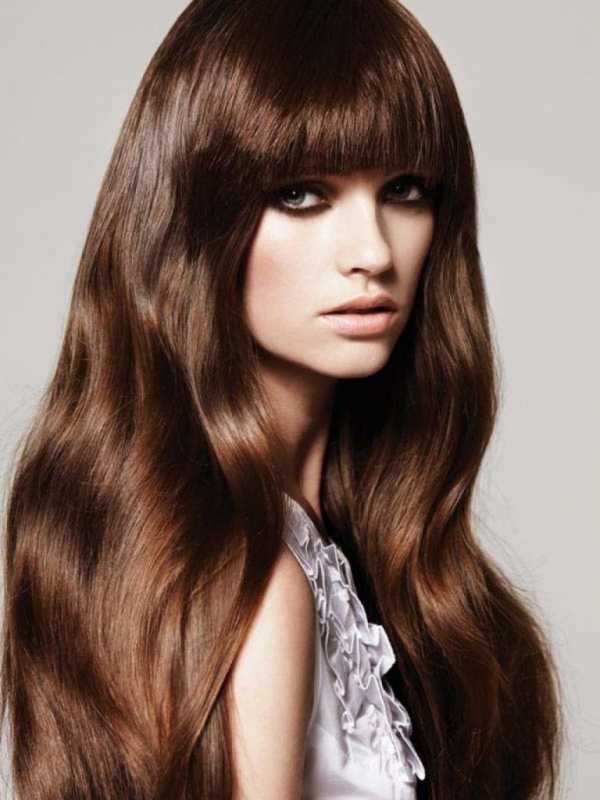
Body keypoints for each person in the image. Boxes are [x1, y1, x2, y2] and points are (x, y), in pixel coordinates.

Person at [0, 1, 564, 798]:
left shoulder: (291, 542)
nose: (372, 252)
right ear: (196, 221)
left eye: (405, 190)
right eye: (302, 195)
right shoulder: (260, 581)